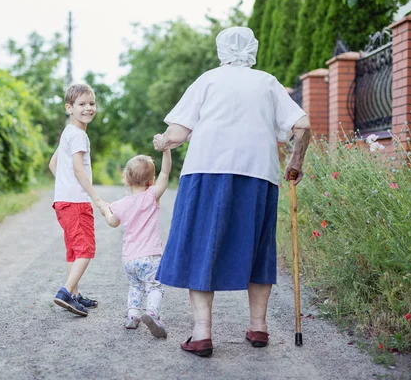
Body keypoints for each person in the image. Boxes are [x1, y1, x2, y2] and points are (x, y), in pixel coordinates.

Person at [152, 26, 311, 357]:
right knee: (257, 246)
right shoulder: (268, 83)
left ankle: (202, 334)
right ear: (253, 49)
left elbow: (179, 132)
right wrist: (295, 161)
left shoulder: (208, 80)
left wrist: (164, 141)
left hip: (206, 171)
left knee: (201, 245)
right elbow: (303, 126)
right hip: (258, 173)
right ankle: (259, 328)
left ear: (221, 50)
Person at [100, 149, 172, 338]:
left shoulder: (121, 204)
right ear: (151, 180)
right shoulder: (151, 196)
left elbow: (112, 222)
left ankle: (133, 315)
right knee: (154, 286)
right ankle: (153, 314)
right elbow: (166, 173)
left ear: (126, 178)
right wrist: (166, 151)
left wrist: (106, 210)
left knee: (135, 286)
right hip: (150, 256)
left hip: (129, 259)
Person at [49, 83, 107, 317]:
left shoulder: (68, 133)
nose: (88, 108)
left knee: (74, 249)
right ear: (69, 108)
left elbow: (53, 164)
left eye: (91, 104)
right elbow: (78, 170)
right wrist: (96, 198)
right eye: (82, 104)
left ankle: (75, 294)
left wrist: (64, 186)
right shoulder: (79, 136)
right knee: (85, 250)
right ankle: (65, 292)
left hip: (62, 202)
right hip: (76, 203)